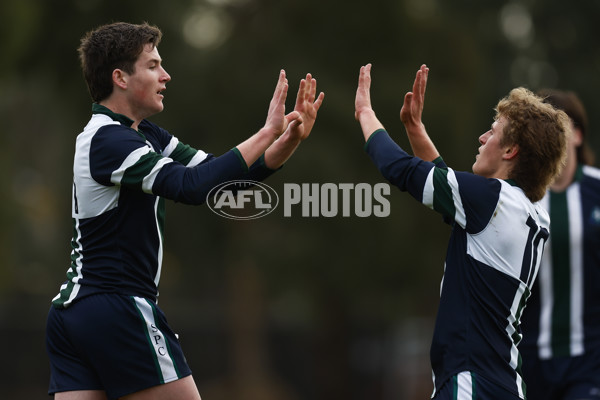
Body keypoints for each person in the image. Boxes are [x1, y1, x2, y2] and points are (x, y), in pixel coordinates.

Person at [45, 22, 324, 400]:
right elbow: (191, 188)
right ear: (120, 78)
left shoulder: (145, 134)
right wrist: (265, 131)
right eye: (153, 65)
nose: (166, 75)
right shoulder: (109, 139)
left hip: (73, 313)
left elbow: (223, 184)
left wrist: (286, 139)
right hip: (118, 306)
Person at [354, 63, 569, 399]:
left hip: (472, 382)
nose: (482, 138)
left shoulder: (490, 199)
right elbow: (447, 188)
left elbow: (399, 169)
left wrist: (366, 113)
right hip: (507, 385)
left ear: (511, 151)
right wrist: (414, 128)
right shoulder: (532, 214)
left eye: (493, 130)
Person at [519, 89, 600, 400]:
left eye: (559, 127)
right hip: (529, 358)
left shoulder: (596, 190)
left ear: (577, 135)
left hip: (589, 358)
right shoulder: (520, 200)